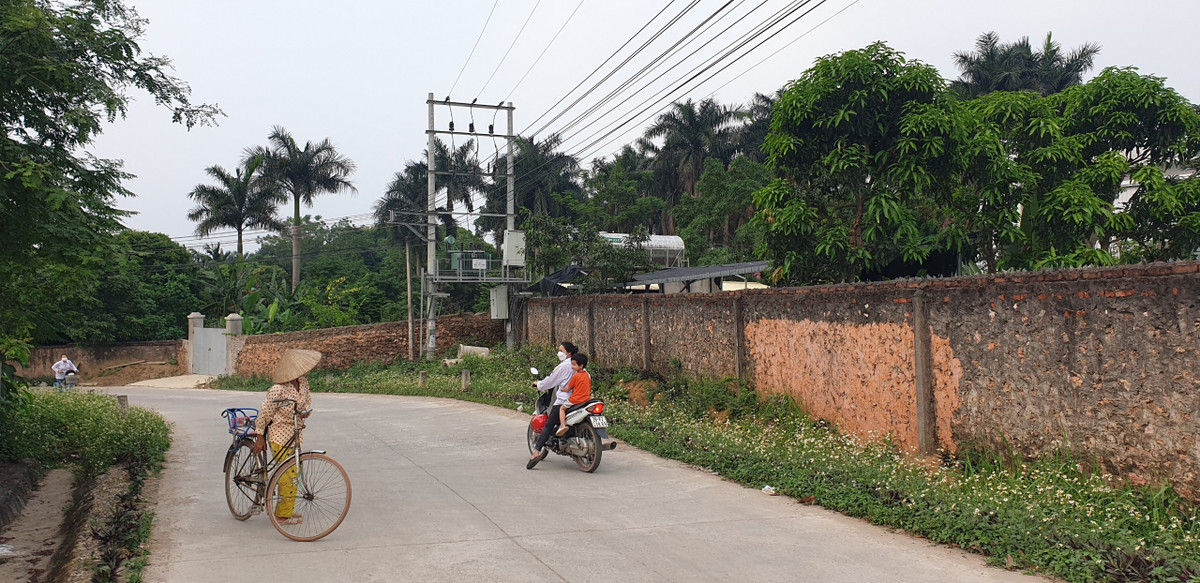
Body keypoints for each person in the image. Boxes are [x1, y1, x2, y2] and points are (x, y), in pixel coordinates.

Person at [252, 349, 321, 525]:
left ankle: (286, 509)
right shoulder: (278, 389)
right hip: (279, 435)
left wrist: (304, 413)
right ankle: (282, 515)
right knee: (288, 475)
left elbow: (306, 403)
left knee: (295, 472)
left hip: (296, 434)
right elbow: (265, 413)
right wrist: (260, 435)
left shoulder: (303, 383)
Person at [528, 352, 591, 469]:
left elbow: (552, 382)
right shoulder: (587, 374)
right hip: (585, 401)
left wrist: (540, 385)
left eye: (574, 365)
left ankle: (536, 452)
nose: (572, 367)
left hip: (566, 401)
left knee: (548, 426)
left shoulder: (567, 370)